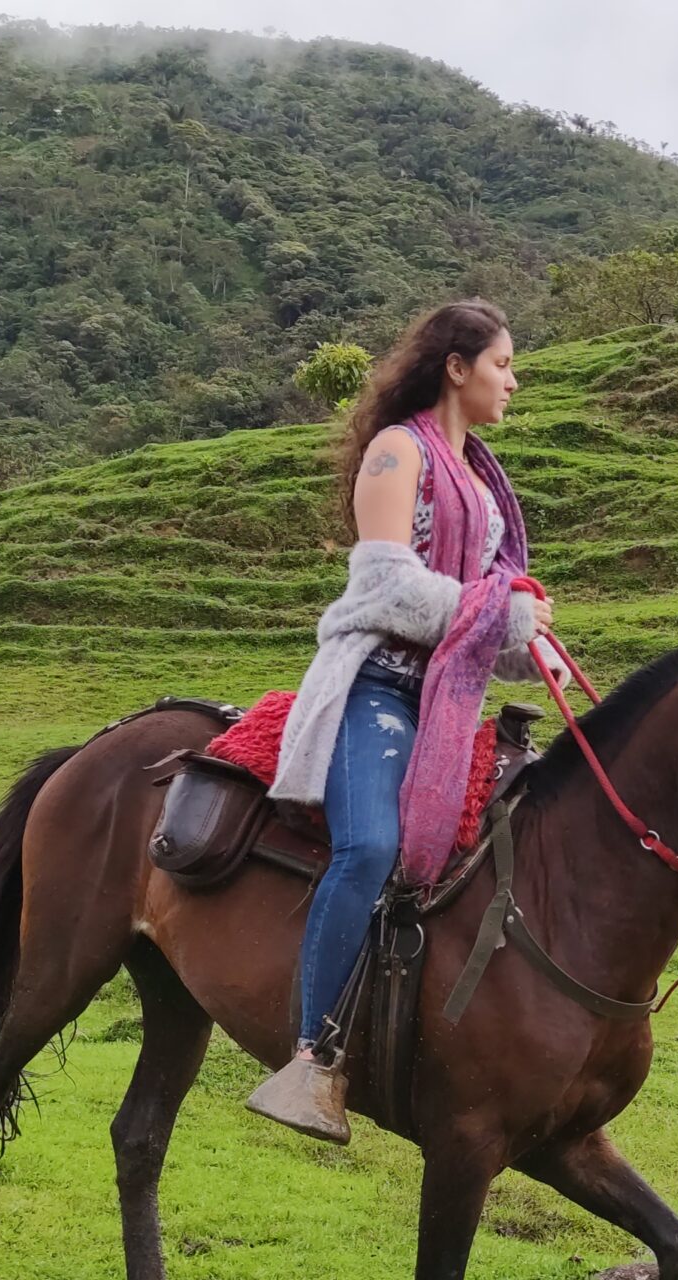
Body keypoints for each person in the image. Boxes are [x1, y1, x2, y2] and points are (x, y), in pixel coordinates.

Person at [245, 299, 556, 1144]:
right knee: (371, 847)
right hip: (376, 689)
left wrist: (536, 649)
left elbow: (482, 622)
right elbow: (386, 587)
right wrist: (503, 615)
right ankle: (311, 1058)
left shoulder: (487, 493)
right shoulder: (396, 452)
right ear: (456, 368)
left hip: (448, 706)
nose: (512, 382)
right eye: (502, 365)